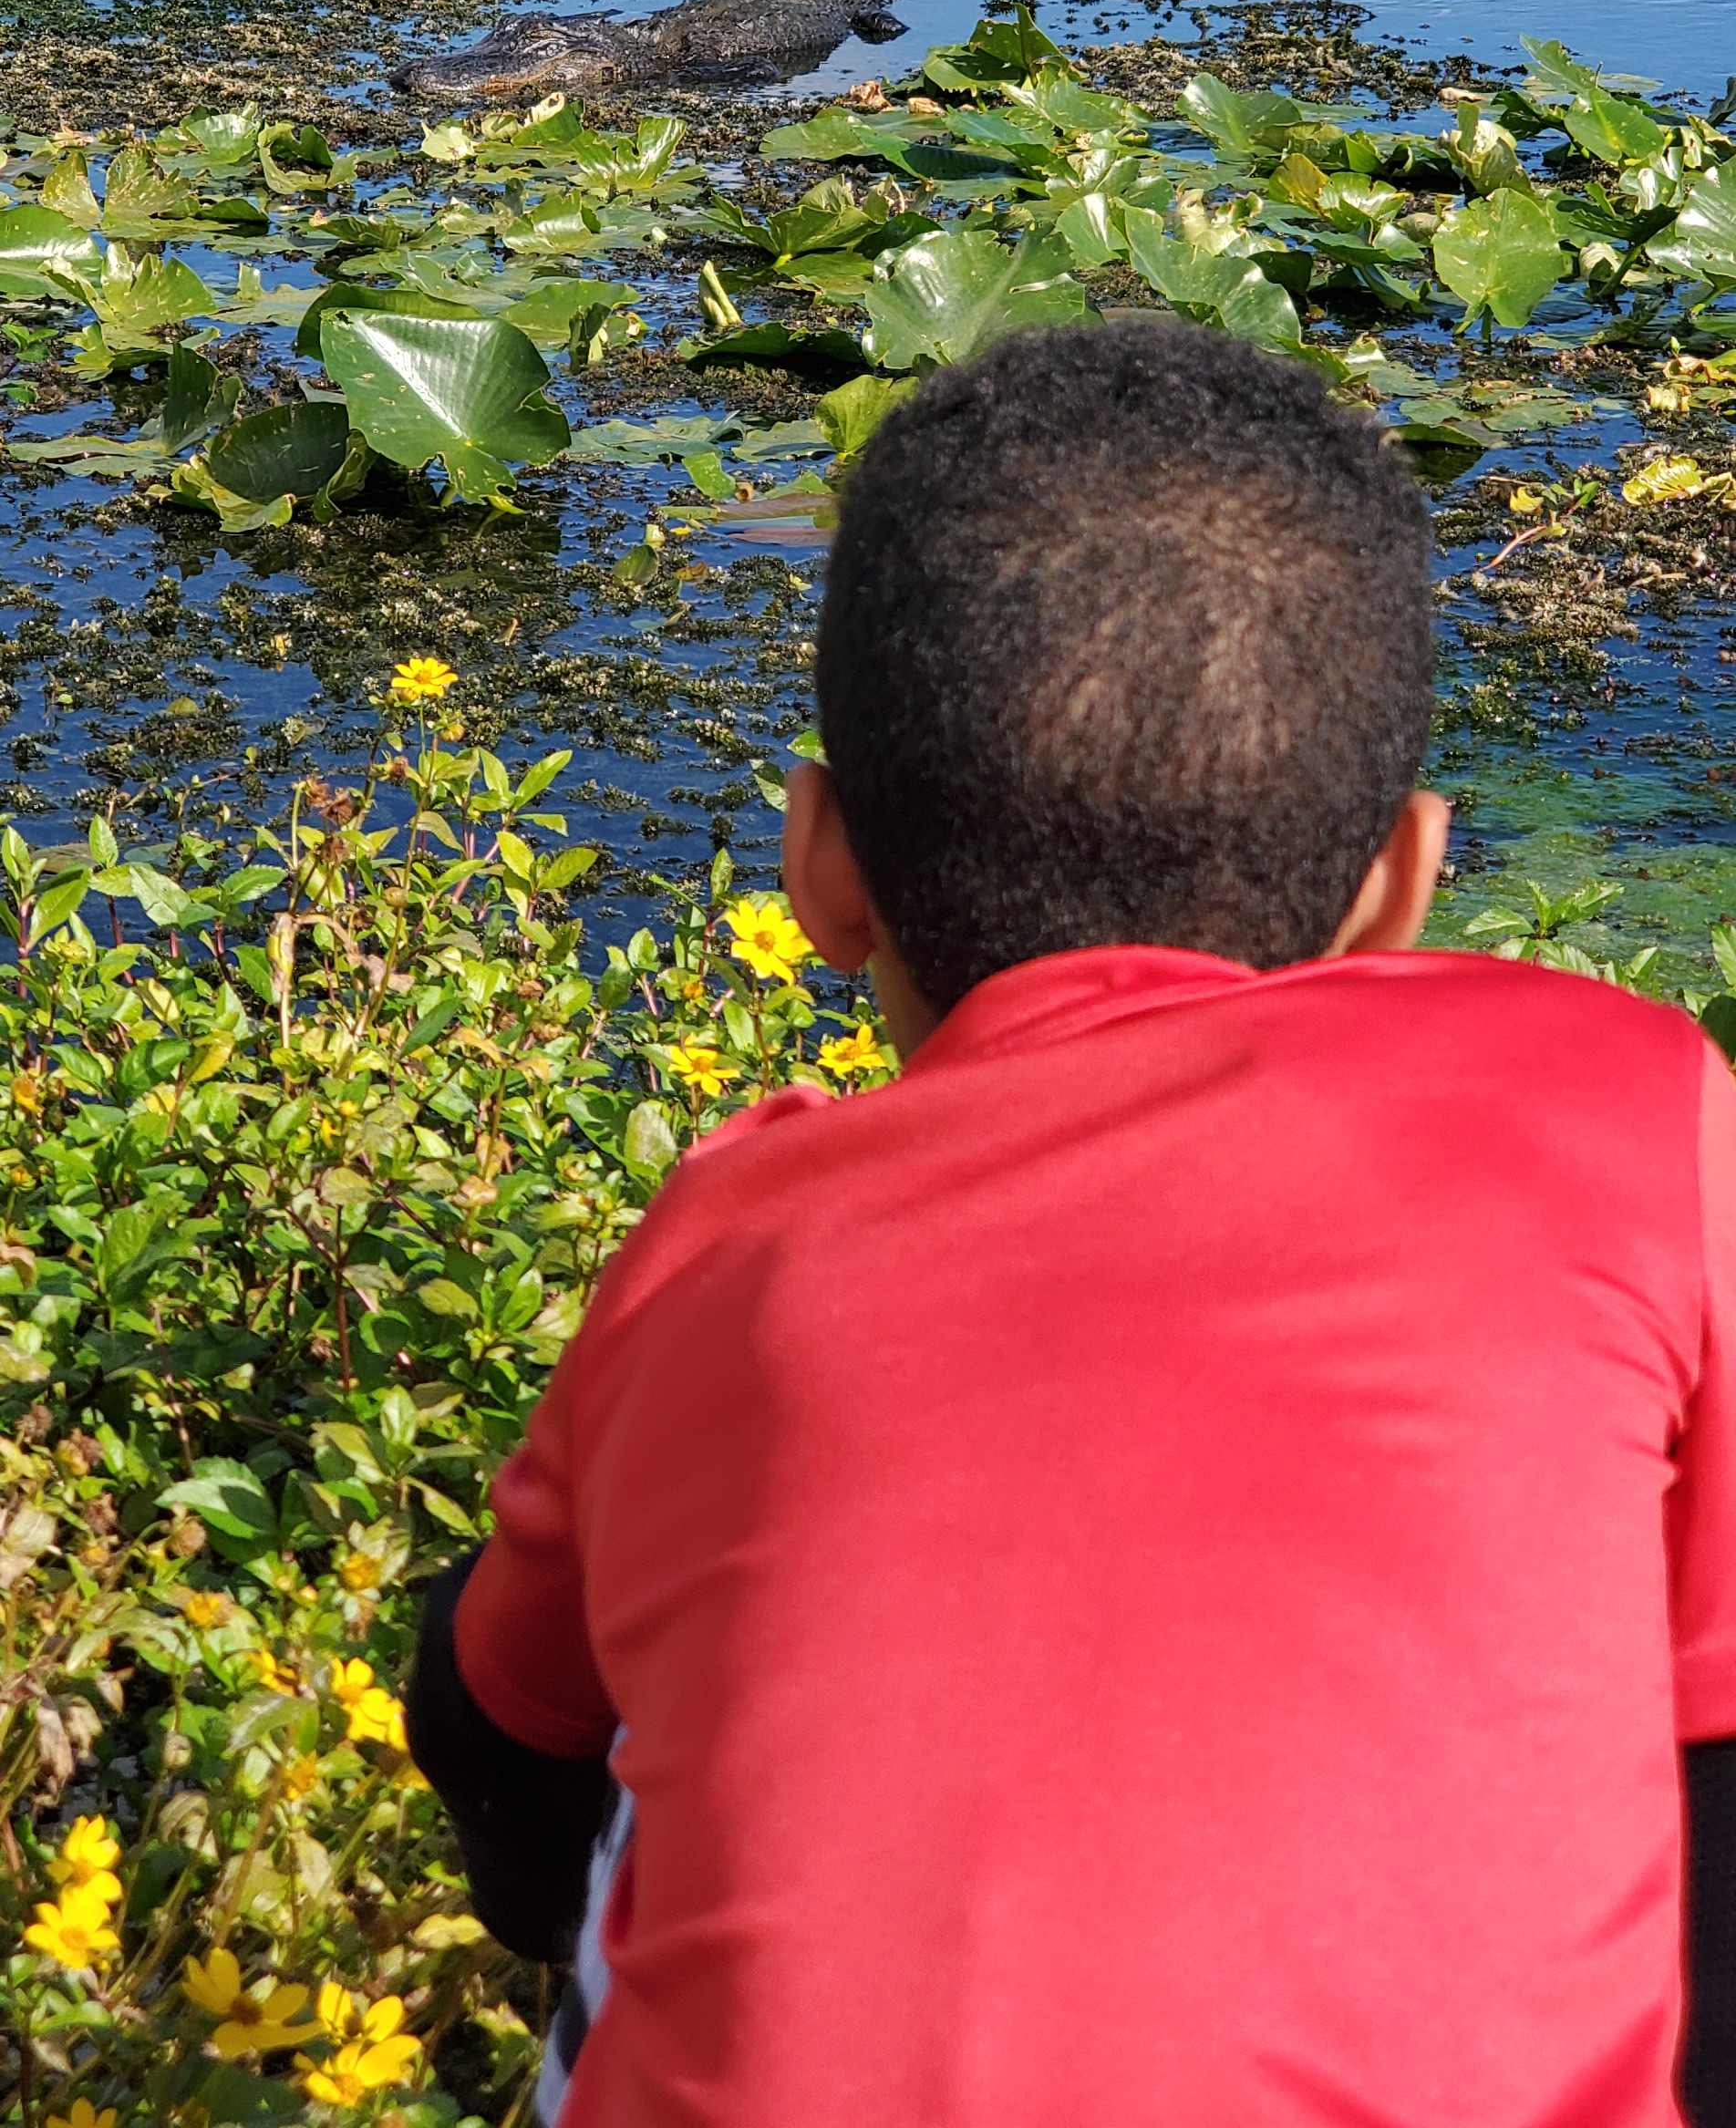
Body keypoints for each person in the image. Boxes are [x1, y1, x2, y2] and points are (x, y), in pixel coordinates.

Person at [408, 316, 1736, 2127]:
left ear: (817, 869)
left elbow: (495, 1727)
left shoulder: (724, 1241)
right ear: (1403, 882)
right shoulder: (1635, 1106)